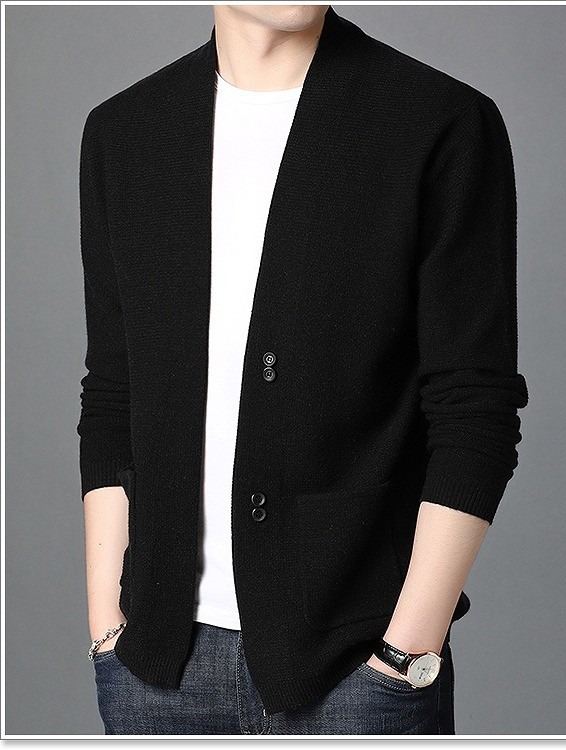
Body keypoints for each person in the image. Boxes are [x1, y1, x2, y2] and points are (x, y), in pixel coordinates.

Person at [78, 4, 529, 736]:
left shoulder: (439, 122)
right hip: (153, 670)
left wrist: (406, 653)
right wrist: (107, 626)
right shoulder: (124, 133)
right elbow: (113, 394)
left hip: (358, 670)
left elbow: (474, 408)